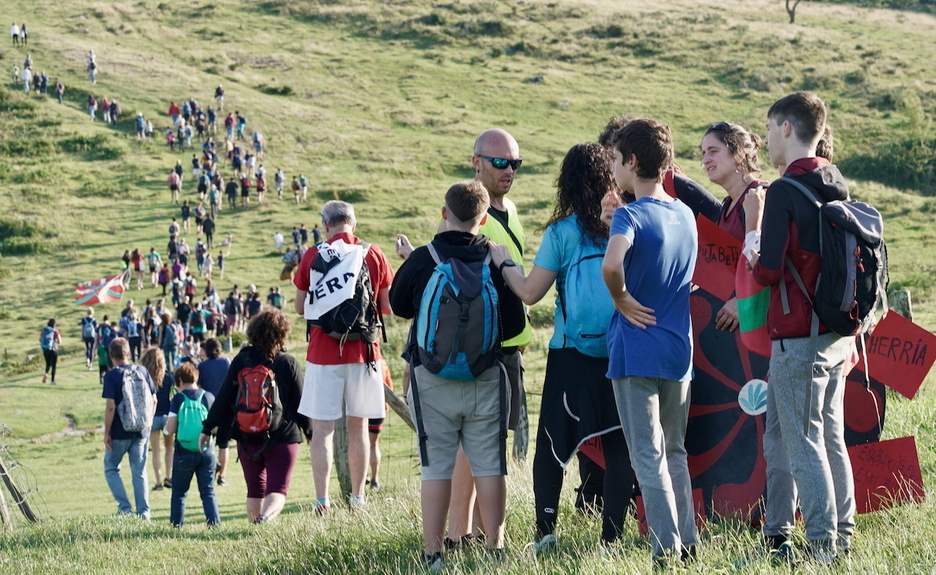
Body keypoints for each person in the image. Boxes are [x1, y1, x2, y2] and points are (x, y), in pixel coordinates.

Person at [487, 143, 636, 552]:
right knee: (621, 445)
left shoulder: (562, 233)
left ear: (566, 183)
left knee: (551, 445)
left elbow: (531, 293)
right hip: (622, 349)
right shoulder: (626, 224)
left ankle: (546, 532)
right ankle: (611, 538)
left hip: (570, 352)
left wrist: (504, 264)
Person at [744, 91, 856, 564]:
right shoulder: (837, 182)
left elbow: (767, 271)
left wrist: (753, 229)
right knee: (831, 438)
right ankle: (843, 536)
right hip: (835, 334)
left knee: (803, 441)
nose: (768, 138)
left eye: (769, 129)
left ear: (787, 129)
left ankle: (822, 547)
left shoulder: (786, 191)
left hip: (797, 339)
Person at [389, 181, 509, 566]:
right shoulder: (495, 259)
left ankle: (433, 553)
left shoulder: (426, 257)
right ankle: (496, 547)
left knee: (435, 467)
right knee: (490, 463)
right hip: (485, 376)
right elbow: (513, 316)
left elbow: (398, 305)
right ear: (484, 219)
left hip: (432, 379)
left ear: (444, 214)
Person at [602, 118, 699, 566]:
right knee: (674, 451)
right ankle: (689, 541)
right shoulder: (685, 214)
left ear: (633, 161)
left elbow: (612, 264)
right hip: (679, 350)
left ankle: (666, 550)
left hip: (636, 350)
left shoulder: (629, 214)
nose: (613, 169)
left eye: (616, 161)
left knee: (648, 455)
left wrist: (620, 298)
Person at [293, 200, 394, 515]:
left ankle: (322, 502)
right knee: (358, 426)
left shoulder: (313, 255)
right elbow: (386, 307)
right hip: (364, 352)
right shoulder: (373, 253)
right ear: (354, 223)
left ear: (325, 225)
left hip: (324, 353)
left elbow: (300, 308)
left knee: (323, 430)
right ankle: (358, 499)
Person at [200, 309, 312, 523]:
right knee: (277, 490)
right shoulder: (287, 362)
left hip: (246, 436)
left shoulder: (241, 360)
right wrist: (309, 431)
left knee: (254, 490)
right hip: (283, 438)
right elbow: (301, 402)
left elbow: (224, 397)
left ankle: (255, 527)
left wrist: (207, 429)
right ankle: (265, 519)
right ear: (282, 334)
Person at [102, 337, 157, 519]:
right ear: (128, 353)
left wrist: (106, 433)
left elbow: (111, 407)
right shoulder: (142, 370)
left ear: (111, 356)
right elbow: (154, 399)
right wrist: (148, 422)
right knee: (139, 472)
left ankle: (125, 509)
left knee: (111, 467)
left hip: (119, 431)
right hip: (141, 430)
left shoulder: (111, 375)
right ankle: (144, 513)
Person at [165, 362, 220, 528]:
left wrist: (166, 431)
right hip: (206, 450)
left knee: (179, 492)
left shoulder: (178, 399)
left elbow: (171, 427)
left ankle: (176, 526)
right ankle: (214, 525)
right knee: (208, 491)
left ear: (180, 381)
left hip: (184, 451)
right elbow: (217, 427)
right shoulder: (208, 397)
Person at [197, 338, 232, 485]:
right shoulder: (226, 363)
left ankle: (210, 470)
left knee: (207, 441)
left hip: (207, 407)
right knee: (224, 444)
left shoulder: (202, 366)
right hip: (225, 407)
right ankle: (222, 475)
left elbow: (199, 386)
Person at [140, 347, 174, 491]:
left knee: (155, 450)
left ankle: (158, 481)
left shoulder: (145, 377)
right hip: (167, 416)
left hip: (152, 416)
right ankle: (169, 477)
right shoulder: (169, 377)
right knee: (169, 448)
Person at [39, 319, 62, 385]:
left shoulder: (44, 330)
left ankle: (46, 373)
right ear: (54, 325)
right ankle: (52, 381)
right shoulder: (55, 331)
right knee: (54, 365)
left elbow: (40, 340)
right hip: (54, 349)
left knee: (48, 364)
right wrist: (55, 341)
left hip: (46, 349)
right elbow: (60, 341)